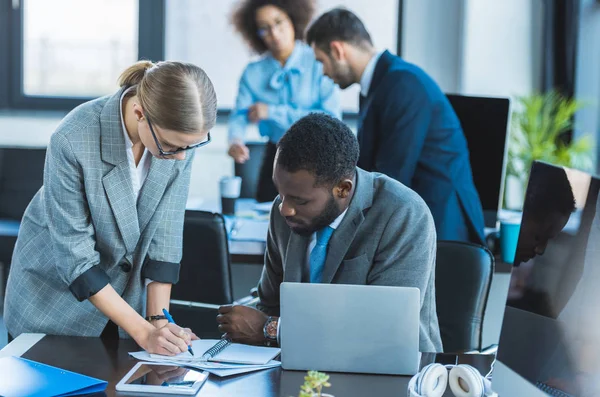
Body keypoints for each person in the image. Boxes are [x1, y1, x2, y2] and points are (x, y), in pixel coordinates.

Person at [4, 60, 217, 356]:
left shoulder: (178, 139)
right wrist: (144, 332)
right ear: (139, 113)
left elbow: (165, 239)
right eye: (173, 147)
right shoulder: (73, 138)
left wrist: (158, 323)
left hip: (126, 306)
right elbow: (76, 260)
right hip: (53, 303)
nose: (181, 158)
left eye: (190, 147)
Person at [217, 113, 443, 353]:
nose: (285, 208)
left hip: (386, 367)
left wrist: (272, 329)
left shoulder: (402, 213)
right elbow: (269, 302)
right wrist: (237, 316)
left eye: (300, 201)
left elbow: (385, 328)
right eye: (280, 193)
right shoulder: (282, 211)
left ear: (343, 189)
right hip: (299, 364)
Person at [305, 8, 485, 245]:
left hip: (443, 228)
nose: (324, 73)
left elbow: (391, 176)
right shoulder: (380, 85)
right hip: (419, 222)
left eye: (321, 62)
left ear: (338, 51)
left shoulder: (402, 83)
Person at [227, 0, 340, 203]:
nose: (274, 33)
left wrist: (271, 112)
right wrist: (235, 141)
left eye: (279, 22)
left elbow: (331, 119)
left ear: (293, 20)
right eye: (264, 28)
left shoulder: (318, 62)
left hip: (317, 158)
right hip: (276, 157)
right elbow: (240, 115)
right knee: (265, 215)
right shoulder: (253, 72)